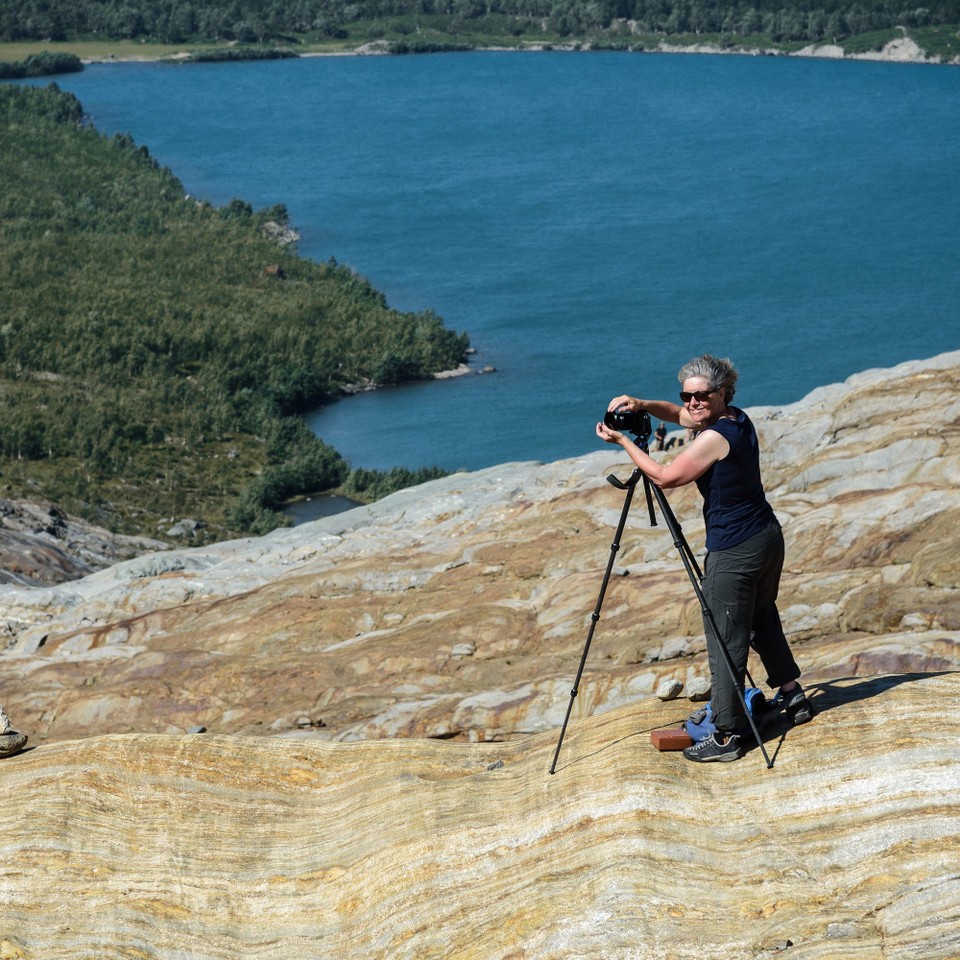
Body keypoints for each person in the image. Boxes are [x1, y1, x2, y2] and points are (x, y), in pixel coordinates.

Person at [596, 354, 813, 763]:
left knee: (725, 636)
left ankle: (727, 734)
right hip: (766, 536)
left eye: (701, 395)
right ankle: (792, 695)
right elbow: (678, 415)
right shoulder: (736, 418)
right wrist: (641, 405)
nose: (692, 403)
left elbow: (666, 477)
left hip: (735, 550)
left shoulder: (714, 437)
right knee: (762, 617)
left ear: (723, 392)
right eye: (688, 395)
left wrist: (624, 442)